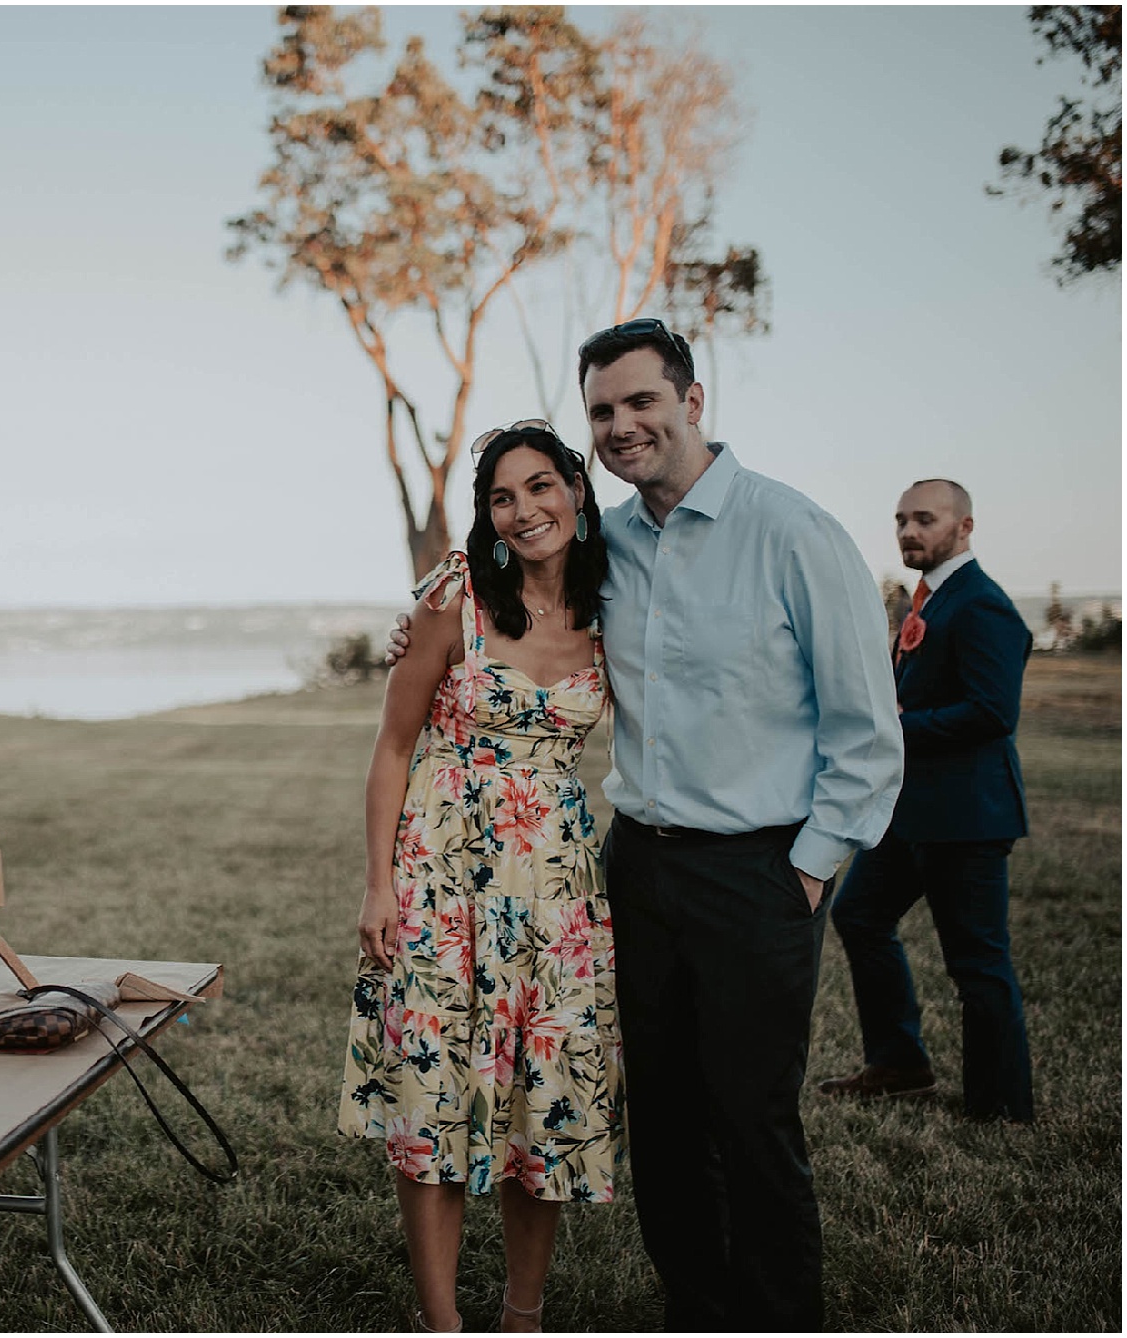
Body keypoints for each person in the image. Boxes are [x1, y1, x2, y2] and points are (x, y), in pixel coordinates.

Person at [388, 319, 904, 1330]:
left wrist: (807, 869)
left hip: (760, 870)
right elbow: (502, 579)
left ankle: (774, 1315)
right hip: (630, 869)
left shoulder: (791, 532)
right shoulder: (603, 542)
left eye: (640, 403)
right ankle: (696, 1309)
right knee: (659, 1121)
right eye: (602, 412)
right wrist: (418, 612)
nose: (621, 426)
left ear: (691, 401)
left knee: (748, 1121)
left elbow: (867, 730)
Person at [340, 423, 621, 1334]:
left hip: (559, 894)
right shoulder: (453, 599)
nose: (526, 509)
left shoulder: (619, 604)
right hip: (440, 881)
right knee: (434, 1099)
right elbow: (391, 746)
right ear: (488, 517)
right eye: (504, 497)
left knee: (542, 1098)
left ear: (576, 492)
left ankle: (521, 1317)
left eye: (542, 486)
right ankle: (442, 1324)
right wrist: (378, 887)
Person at [820, 479, 1033, 1121]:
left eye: (926, 520)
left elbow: (993, 713)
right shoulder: (932, 600)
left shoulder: (981, 605)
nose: (910, 532)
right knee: (858, 915)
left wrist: (894, 726)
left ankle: (1001, 1107)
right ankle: (900, 1063)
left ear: (963, 527)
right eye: (902, 520)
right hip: (910, 813)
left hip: (966, 816)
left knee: (977, 963)